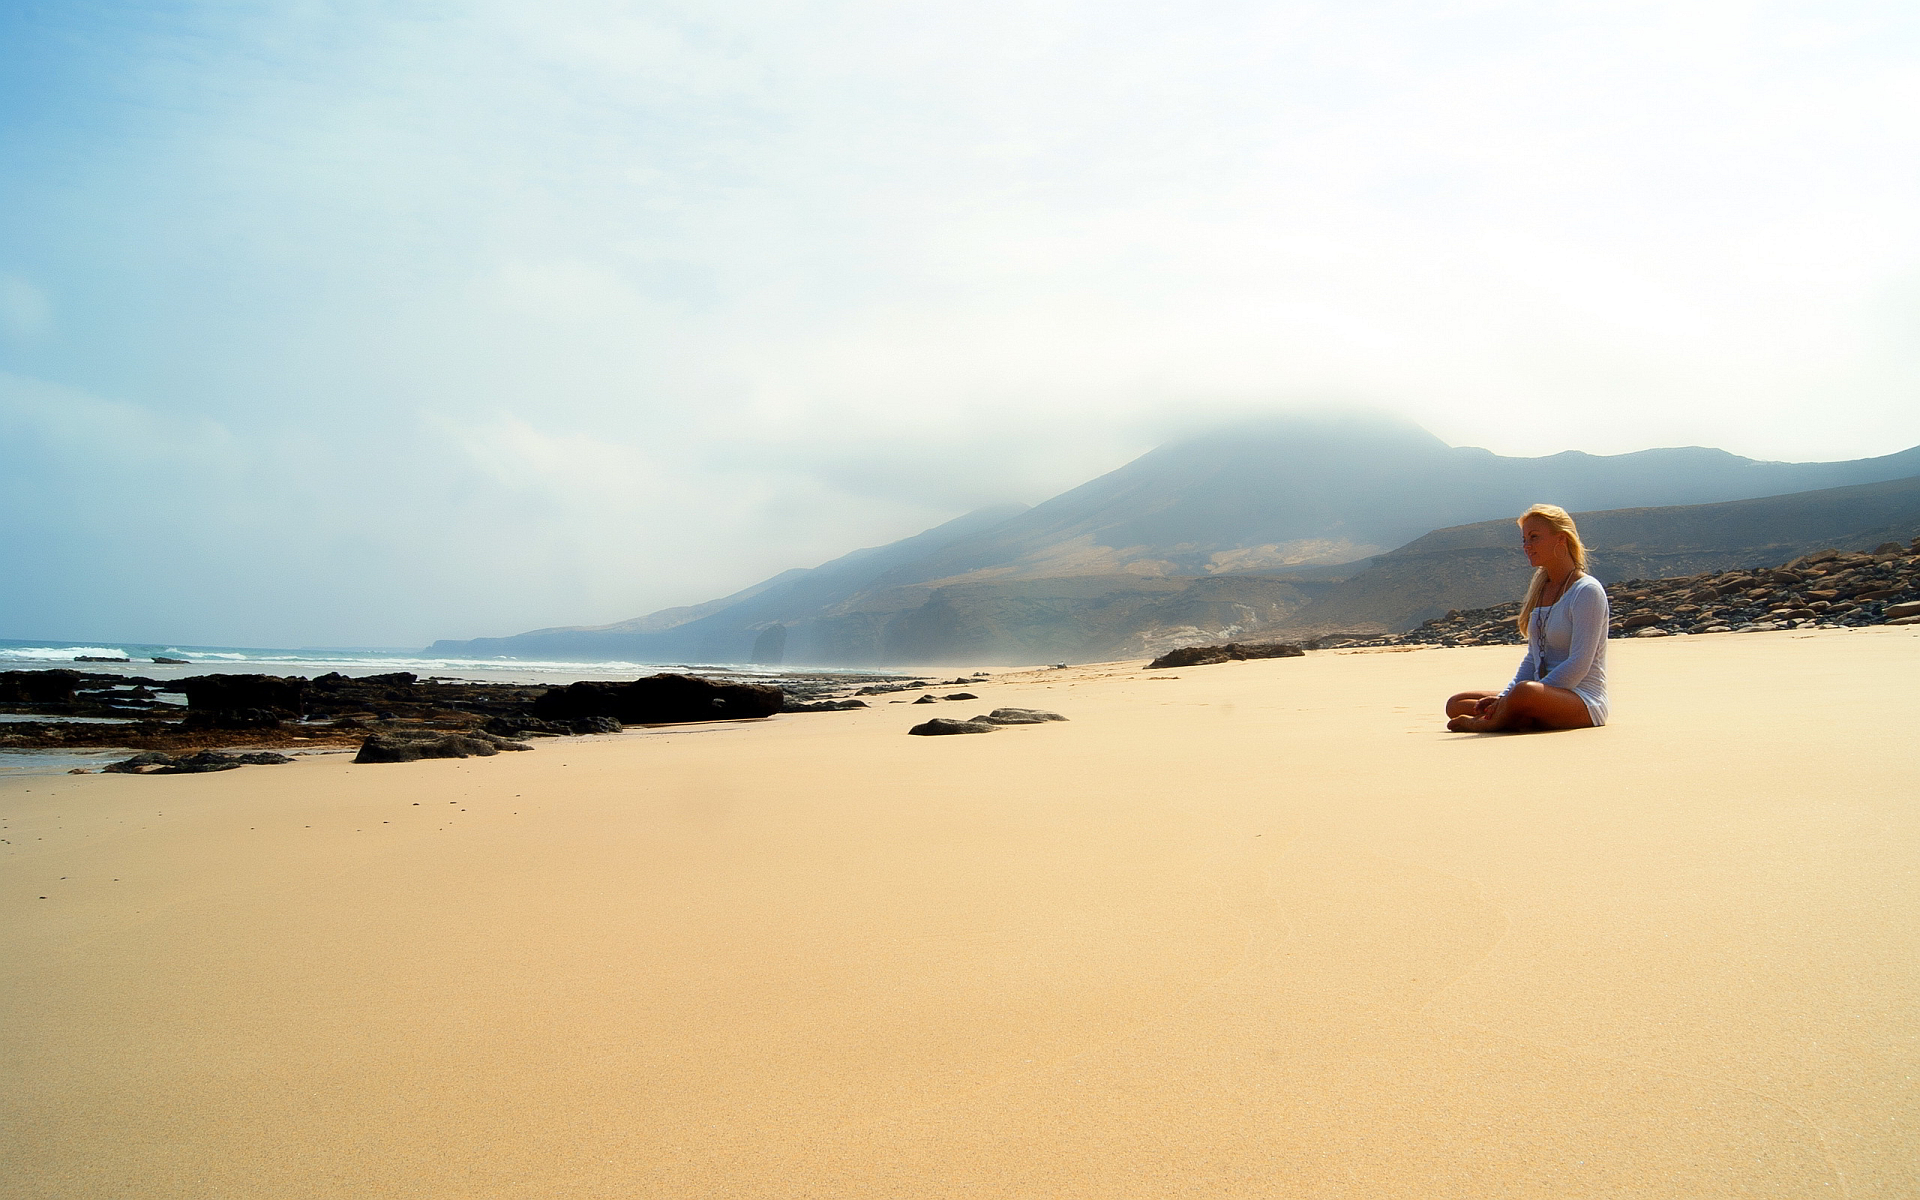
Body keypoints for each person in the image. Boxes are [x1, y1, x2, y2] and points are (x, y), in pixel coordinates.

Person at [1446, 504, 1609, 732]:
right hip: (1537, 693)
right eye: (1524, 539)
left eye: (1534, 537)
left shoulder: (1587, 591)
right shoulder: (1542, 589)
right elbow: (1532, 659)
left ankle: (1489, 723)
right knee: (1457, 703)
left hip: (1581, 699)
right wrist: (1505, 697)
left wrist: (1521, 697)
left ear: (1561, 539)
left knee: (1525, 692)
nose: (1527, 546)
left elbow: (1580, 664)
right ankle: (1517, 716)